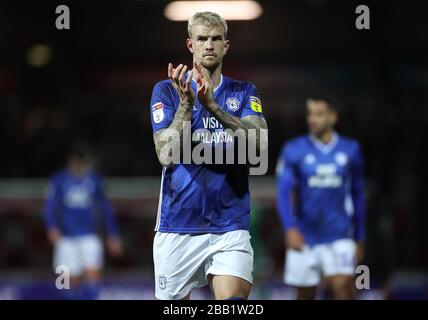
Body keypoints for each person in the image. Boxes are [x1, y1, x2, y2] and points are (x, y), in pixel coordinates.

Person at [149, 11, 268, 300]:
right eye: (202, 39)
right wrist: (187, 106)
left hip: (230, 226)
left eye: (216, 39)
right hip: (177, 226)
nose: (209, 45)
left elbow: (259, 146)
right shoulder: (166, 90)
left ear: (226, 46)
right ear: (190, 45)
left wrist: (214, 107)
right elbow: (165, 153)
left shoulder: (243, 92)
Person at [276, 97, 365, 299]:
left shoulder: (351, 150)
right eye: (309, 114)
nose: (312, 119)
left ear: (333, 117)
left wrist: (360, 238)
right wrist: (289, 228)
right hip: (304, 237)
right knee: (305, 296)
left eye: (319, 113)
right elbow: (283, 192)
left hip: (340, 235)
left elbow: (357, 194)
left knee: (343, 289)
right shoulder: (293, 149)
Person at [44, 142, 123, 300]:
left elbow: (106, 209)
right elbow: (50, 206)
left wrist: (113, 234)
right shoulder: (59, 180)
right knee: (65, 282)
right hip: (66, 239)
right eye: (76, 160)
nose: (78, 164)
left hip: (90, 237)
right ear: (70, 160)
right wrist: (51, 227)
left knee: (92, 276)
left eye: (81, 160)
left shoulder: (95, 180)